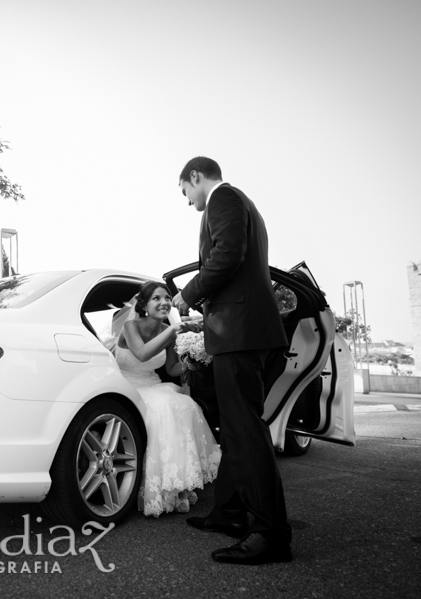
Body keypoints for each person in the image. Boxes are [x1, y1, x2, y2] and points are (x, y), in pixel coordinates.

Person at [172, 156, 291, 565]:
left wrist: (188, 293)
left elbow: (227, 254)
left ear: (195, 177)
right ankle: (231, 513)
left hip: (240, 335)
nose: (187, 202)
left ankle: (270, 534)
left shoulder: (223, 199)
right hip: (242, 331)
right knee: (238, 430)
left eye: (184, 191)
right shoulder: (242, 203)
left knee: (246, 431)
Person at [115, 280, 221, 516]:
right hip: (127, 386)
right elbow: (141, 355)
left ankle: (178, 485)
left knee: (184, 403)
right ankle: (162, 488)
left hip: (153, 384)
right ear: (143, 304)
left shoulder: (168, 330)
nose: (163, 302)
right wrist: (174, 330)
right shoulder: (131, 326)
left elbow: (172, 368)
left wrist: (190, 362)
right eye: (156, 298)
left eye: (166, 298)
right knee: (164, 406)